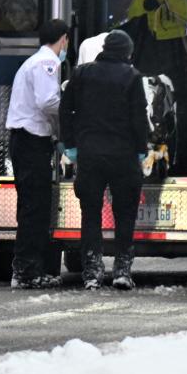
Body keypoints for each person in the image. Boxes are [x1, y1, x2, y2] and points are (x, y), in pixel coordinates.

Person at [59, 30, 148, 290]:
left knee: (90, 214)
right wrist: (141, 150)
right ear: (126, 52)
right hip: (124, 156)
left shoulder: (82, 73)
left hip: (90, 155)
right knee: (125, 214)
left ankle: (92, 271)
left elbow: (66, 109)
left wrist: (71, 145)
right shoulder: (132, 77)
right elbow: (138, 117)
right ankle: (122, 269)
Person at [5, 18, 70, 289]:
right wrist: (72, 108)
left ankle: (26, 268)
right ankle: (27, 271)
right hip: (32, 142)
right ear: (63, 39)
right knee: (35, 209)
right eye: (67, 40)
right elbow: (47, 102)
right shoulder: (48, 64)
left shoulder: (32, 62)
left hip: (24, 141)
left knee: (29, 207)